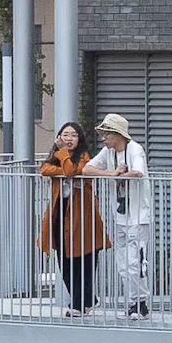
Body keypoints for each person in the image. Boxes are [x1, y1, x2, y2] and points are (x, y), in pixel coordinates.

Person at [90, 110, 152, 316]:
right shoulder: (108, 153)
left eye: (108, 134)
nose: (104, 138)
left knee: (137, 261)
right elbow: (87, 169)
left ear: (119, 134)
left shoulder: (135, 149)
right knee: (123, 263)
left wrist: (123, 175)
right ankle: (133, 302)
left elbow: (138, 172)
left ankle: (141, 302)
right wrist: (112, 173)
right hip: (120, 216)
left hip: (138, 216)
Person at [38, 118, 104, 312]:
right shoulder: (58, 155)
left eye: (73, 135)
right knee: (64, 263)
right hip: (61, 210)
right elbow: (45, 169)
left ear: (79, 138)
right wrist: (63, 167)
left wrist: (64, 160)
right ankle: (88, 300)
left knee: (82, 260)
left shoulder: (84, 156)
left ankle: (77, 305)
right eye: (65, 135)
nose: (69, 139)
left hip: (81, 214)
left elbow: (71, 169)